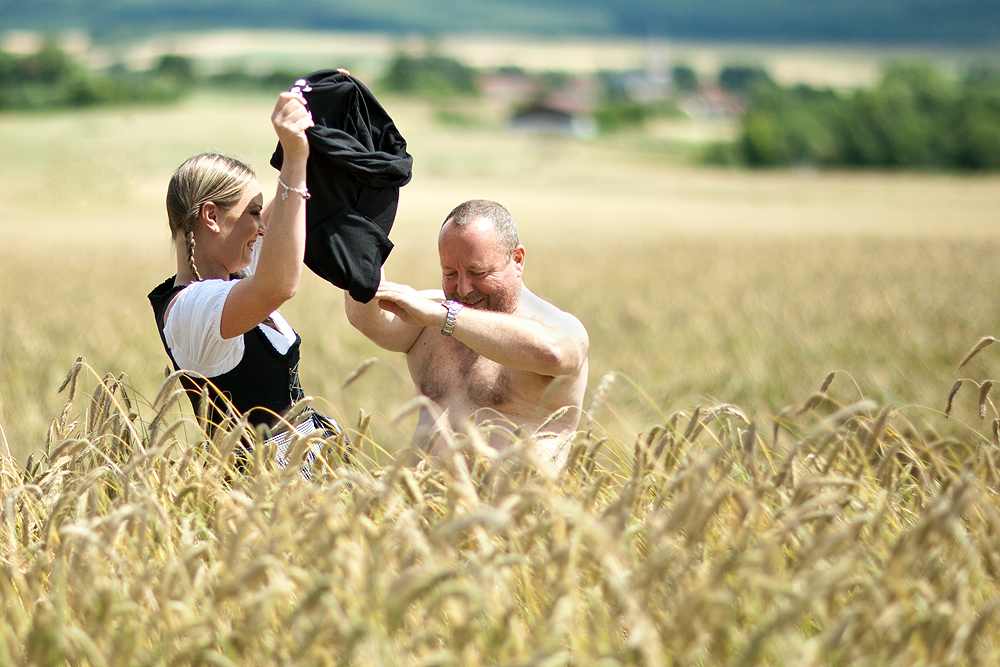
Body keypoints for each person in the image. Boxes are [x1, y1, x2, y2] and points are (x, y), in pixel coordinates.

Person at [147, 89, 342, 477]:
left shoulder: (231, 278)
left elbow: (290, 211)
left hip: (300, 478)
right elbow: (278, 285)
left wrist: (326, 107)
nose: (260, 226)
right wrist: (294, 161)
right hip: (261, 492)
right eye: (252, 213)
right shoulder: (190, 310)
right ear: (211, 217)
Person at [345, 200, 589, 473]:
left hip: (520, 513)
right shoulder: (429, 314)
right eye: (450, 273)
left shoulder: (557, 326)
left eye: (478, 273)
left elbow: (553, 354)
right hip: (422, 510)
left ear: (517, 259)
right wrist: (358, 228)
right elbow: (367, 320)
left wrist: (445, 317)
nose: (463, 288)